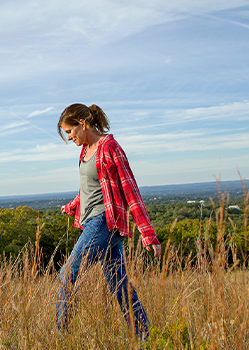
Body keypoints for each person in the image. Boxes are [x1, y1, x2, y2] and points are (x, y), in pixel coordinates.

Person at [56, 103, 161, 340]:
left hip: (104, 221)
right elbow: (90, 189)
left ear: (82, 124)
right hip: (94, 220)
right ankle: (144, 336)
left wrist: (148, 234)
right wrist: (72, 206)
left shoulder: (110, 147)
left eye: (70, 131)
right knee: (119, 284)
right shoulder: (85, 151)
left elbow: (129, 190)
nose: (69, 138)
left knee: (67, 274)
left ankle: (60, 336)